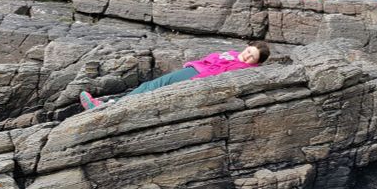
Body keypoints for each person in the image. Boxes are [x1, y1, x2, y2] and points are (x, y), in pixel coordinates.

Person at [79, 41, 271, 110]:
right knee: (149, 87)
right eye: (249, 51)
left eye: (252, 57)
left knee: (150, 89)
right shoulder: (233, 54)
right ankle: (109, 102)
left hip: (196, 79)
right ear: (246, 46)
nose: (247, 56)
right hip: (193, 70)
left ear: (257, 63)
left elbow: (218, 74)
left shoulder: (242, 68)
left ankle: (106, 106)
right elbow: (209, 59)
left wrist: (195, 80)